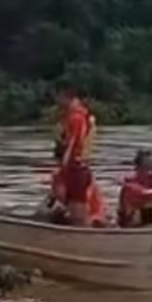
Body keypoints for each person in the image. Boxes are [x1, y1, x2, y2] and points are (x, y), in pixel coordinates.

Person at [56, 87, 97, 226]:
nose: (58, 102)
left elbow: (74, 142)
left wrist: (64, 164)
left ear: (68, 98)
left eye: (60, 98)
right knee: (74, 205)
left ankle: (83, 236)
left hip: (76, 167)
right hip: (79, 166)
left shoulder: (76, 117)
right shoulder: (80, 116)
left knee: (77, 207)